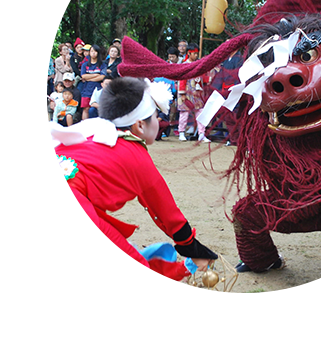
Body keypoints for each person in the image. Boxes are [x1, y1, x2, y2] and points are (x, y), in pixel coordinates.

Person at [45, 77, 218, 294]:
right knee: (134, 273)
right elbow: (166, 212)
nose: (159, 121)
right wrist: (192, 247)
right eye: (156, 116)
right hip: (64, 210)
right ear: (139, 125)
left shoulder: (83, 135)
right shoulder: (135, 155)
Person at [177, 43, 211, 142]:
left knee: (200, 112)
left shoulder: (199, 64)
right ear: (189, 53)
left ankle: (201, 133)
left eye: (197, 53)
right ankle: (181, 132)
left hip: (197, 92)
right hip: (186, 92)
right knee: (184, 113)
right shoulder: (184, 65)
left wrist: (209, 79)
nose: (196, 55)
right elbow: (182, 80)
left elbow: (203, 78)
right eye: (194, 53)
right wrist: (182, 94)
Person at [80, 45, 105, 119]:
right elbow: (83, 76)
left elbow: (102, 77)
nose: (93, 53)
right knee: (86, 109)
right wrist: (96, 75)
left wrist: (89, 78)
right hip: (86, 89)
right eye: (91, 51)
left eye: (95, 51)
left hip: (98, 89)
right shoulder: (85, 65)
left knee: (95, 108)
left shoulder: (102, 65)